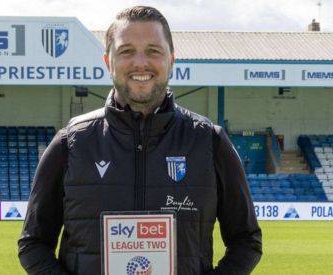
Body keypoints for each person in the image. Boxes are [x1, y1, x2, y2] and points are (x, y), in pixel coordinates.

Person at [18, 6, 262, 275]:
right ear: (108, 62)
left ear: (172, 60)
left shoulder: (209, 141)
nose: (140, 63)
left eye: (153, 51)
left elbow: (246, 241)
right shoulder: (71, 142)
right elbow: (33, 244)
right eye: (126, 51)